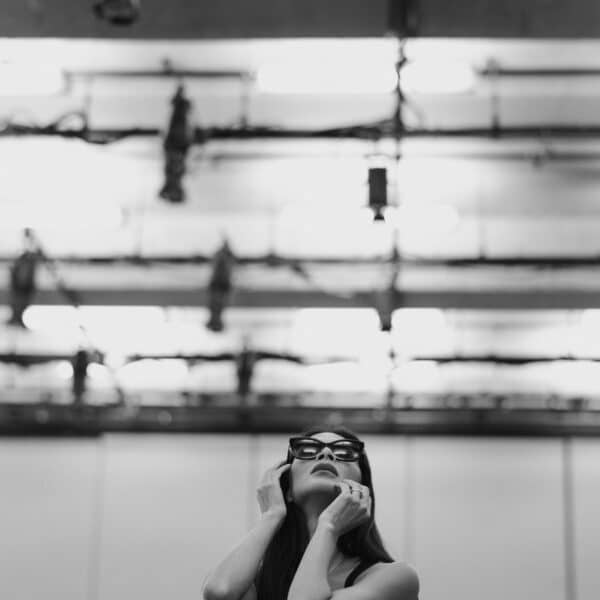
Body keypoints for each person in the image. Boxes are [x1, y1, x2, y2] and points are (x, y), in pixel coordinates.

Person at [202, 426, 419, 600]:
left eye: (344, 452)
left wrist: (329, 526)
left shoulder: (394, 577)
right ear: (286, 489)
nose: (326, 453)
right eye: (307, 450)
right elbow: (220, 592)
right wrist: (272, 515)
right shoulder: (256, 580)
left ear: (362, 490)